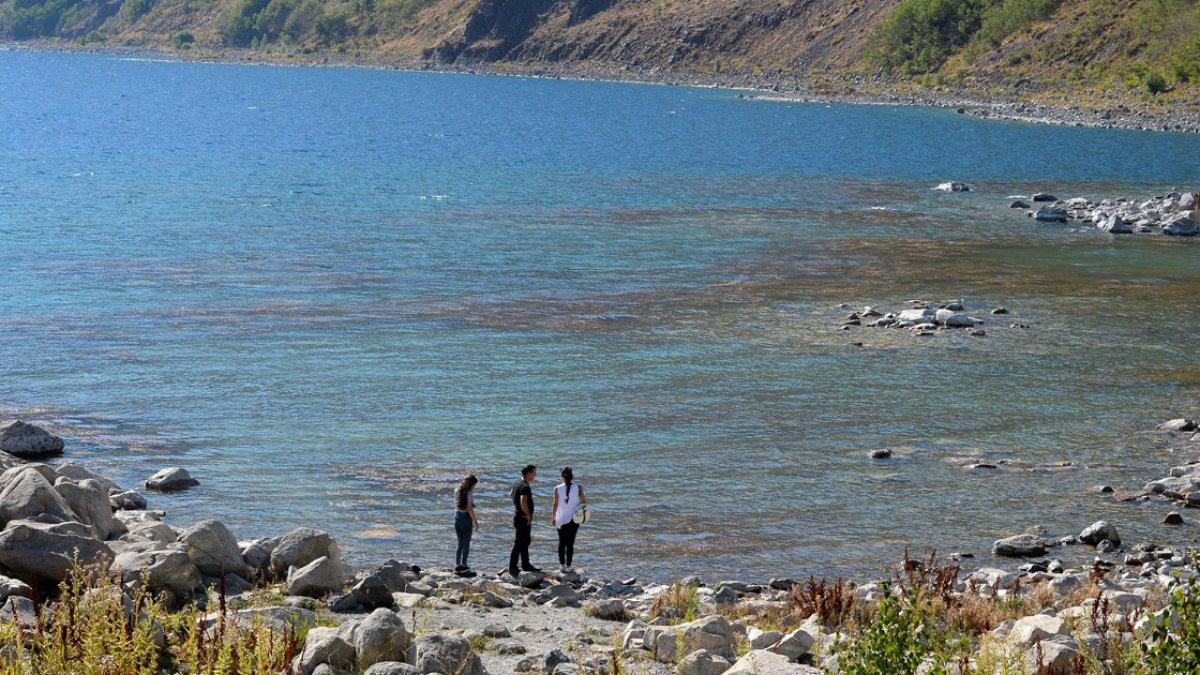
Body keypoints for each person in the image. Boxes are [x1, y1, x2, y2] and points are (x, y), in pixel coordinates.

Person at [550, 466, 587, 572]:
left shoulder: (557, 488)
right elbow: (583, 502)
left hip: (561, 519)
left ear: (561, 476)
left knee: (562, 542)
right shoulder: (579, 487)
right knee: (570, 543)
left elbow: (555, 505)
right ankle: (569, 566)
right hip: (574, 519)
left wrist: (553, 517)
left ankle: (562, 565)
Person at [508, 464, 541, 576]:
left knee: (524, 542)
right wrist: (528, 515)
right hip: (522, 518)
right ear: (528, 473)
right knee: (519, 543)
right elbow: (523, 502)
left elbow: (511, 493)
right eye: (534, 473)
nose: (535, 475)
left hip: (518, 516)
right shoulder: (525, 486)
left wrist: (516, 507)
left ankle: (526, 564)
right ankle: (513, 567)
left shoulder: (517, 482)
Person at [453, 474, 480, 574]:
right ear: (471, 484)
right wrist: (475, 522)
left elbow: (460, 503)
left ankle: (457, 564)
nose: (474, 487)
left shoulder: (457, 490)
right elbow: (469, 509)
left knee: (460, 543)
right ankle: (464, 565)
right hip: (466, 519)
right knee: (466, 543)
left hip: (457, 517)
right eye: (474, 485)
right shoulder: (469, 493)